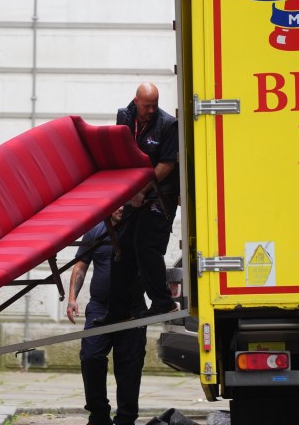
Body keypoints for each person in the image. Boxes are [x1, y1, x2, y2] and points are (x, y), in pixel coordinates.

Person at [94, 82, 179, 326]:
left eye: (155, 105)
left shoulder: (167, 124)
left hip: (159, 196)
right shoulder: (125, 116)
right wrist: (120, 195)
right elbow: (121, 153)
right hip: (133, 194)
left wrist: (142, 190)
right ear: (136, 101)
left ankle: (164, 303)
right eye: (146, 106)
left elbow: (166, 165)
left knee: (146, 246)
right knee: (120, 251)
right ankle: (119, 310)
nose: (151, 110)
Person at [67, 206, 148, 425]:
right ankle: (99, 415)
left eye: (126, 202)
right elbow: (81, 266)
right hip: (99, 307)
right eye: (117, 203)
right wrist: (72, 298)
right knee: (91, 357)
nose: (121, 207)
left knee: (129, 365)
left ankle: (126, 419)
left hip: (133, 309)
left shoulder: (139, 227)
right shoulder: (95, 231)